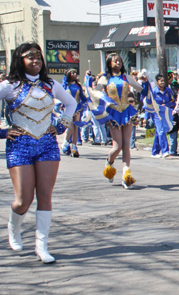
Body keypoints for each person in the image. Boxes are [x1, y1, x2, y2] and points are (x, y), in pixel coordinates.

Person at [1, 42, 77, 263]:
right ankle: (14, 227)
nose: (35, 60)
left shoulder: (50, 84)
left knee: (45, 195)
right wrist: (2, 132)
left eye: (38, 56)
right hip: (19, 144)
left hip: (47, 144)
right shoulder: (10, 85)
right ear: (20, 60)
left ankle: (41, 246)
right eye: (29, 56)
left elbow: (71, 103)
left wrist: (61, 124)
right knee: (24, 199)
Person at [88, 53, 143, 189]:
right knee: (117, 147)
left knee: (126, 145)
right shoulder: (105, 78)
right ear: (109, 63)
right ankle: (109, 162)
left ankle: (126, 175)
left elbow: (141, 89)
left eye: (119, 61)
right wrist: (98, 95)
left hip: (127, 112)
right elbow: (96, 93)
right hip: (113, 114)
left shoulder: (126, 77)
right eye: (115, 61)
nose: (118, 63)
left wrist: (146, 82)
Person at [142, 73, 175, 158]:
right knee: (161, 130)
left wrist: (166, 104)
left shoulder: (168, 91)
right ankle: (165, 151)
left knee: (158, 132)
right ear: (157, 82)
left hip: (165, 113)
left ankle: (155, 152)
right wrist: (146, 117)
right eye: (161, 81)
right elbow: (148, 105)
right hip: (155, 113)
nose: (162, 83)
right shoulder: (153, 92)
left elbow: (173, 102)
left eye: (164, 81)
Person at [60, 69, 88, 158]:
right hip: (68, 108)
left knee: (76, 128)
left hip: (78, 108)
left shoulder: (78, 86)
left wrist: (88, 101)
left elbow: (82, 97)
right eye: (72, 73)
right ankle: (65, 142)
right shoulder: (64, 85)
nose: (75, 74)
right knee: (70, 127)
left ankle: (74, 146)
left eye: (75, 73)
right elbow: (60, 96)